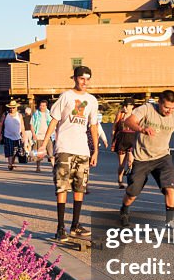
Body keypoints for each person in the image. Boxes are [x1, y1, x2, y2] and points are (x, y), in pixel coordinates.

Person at [118, 90, 174, 230]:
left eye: (172, 107)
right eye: (166, 107)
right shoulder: (147, 108)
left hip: (162, 157)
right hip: (142, 158)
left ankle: (170, 222)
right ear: (159, 102)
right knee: (132, 193)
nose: (169, 111)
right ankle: (124, 209)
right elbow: (129, 121)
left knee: (171, 189)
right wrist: (141, 129)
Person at [39, 66, 99, 242]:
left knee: (80, 187)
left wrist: (95, 151)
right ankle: (60, 228)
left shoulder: (92, 101)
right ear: (75, 78)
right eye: (82, 78)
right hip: (65, 147)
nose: (85, 82)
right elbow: (54, 120)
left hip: (82, 150)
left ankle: (75, 225)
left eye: (88, 79)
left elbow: (93, 126)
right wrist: (44, 144)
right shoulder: (66, 96)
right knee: (62, 187)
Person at [111, 100, 138, 188]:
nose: (125, 108)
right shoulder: (120, 115)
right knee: (122, 164)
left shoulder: (135, 116)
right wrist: (113, 137)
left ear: (132, 106)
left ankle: (131, 181)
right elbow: (115, 127)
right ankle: (120, 180)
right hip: (121, 140)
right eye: (124, 106)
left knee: (131, 162)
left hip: (132, 139)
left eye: (128, 106)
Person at [0, 99, 25, 171]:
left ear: (16, 108)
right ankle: (10, 164)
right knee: (9, 151)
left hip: (17, 136)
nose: (12, 109)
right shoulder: (5, 114)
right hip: (7, 135)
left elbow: (22, 125)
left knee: (15, 151)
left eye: (13, 107)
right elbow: (1, 124)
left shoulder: (19, 115)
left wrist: (24, 135)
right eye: (10, 108)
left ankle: (12, 162)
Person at [30, 99, 53, 172]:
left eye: (43, 106)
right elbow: (32, 124)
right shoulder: (35, 114)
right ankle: (38, 167)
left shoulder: (50, 114)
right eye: (41, 105)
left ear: (46, 106)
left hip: (48, 136)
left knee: (51, 152)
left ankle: (53, 167)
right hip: (38, 136)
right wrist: (33, 134)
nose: (42, 107)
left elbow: (53, 124)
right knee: (38, 153)